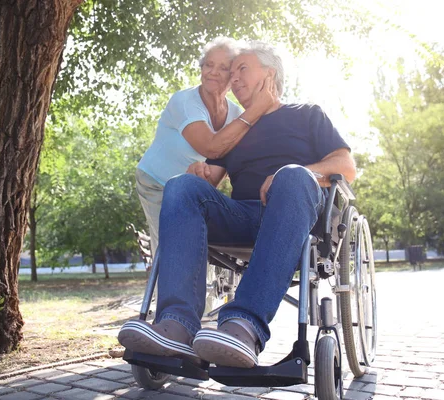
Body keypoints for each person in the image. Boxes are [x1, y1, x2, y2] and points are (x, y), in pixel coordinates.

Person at [119, 41, 356, 368]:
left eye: (241, 69)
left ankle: (243, 326)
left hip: (294, 214)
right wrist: (198, 173)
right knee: (181, 186)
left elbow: (346, 166)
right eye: (232, 74)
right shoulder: (239, 128)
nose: (233, 79)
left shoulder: (306, 114)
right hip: (243, 216)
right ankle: (176, 325)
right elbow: (210, 181)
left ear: (269, 73)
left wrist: (299, 173)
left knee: (291, 176)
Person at [135, 37, 275, 257]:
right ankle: (164, 288)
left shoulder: (237, 115)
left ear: (233, 76)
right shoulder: (185, 102)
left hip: (191, 188)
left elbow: (224, 162)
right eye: (209, 65)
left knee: (196, 244)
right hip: (157, 181)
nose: (213, 72)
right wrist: (256, 109)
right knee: (170, 246)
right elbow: (211, 148)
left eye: (223, 68)